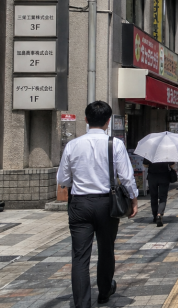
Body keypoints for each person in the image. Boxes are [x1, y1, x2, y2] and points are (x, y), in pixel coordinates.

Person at [57, 101, 138, 308]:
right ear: (108, 121)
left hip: (80, 204)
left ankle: (82, 304)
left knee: (80, 256)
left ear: (86, 119)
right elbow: (126, 177)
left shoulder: (73, 145)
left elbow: (63, 179)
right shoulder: (115, 144)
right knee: (106, 249)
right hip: (106, 203)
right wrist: (133, 199)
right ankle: (104, 291)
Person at [142, 157, 174, 227]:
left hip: (152, 177)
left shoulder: (150, 152)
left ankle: (155, 216)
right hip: (164, 176)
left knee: (153, 196)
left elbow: (145, 165)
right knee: (163, 197)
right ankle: (159, 214)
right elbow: (172, 165)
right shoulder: (167, 153)